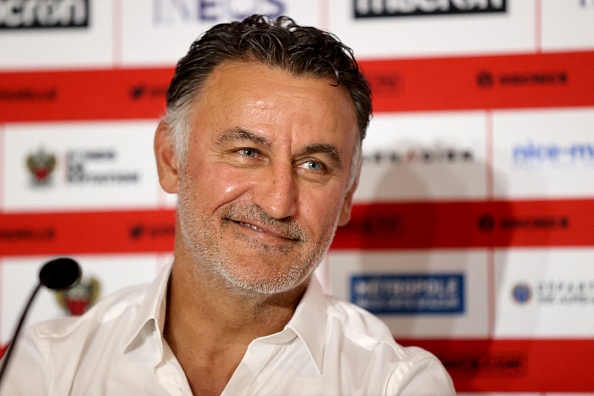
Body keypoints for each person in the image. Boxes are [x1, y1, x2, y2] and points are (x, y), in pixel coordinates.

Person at [1, 15, 455, 395]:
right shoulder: (47, 368)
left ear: (347, 196)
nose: (279, 202)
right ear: (171, 159)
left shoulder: (395, 384)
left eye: (314, 165)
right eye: (248, 153)